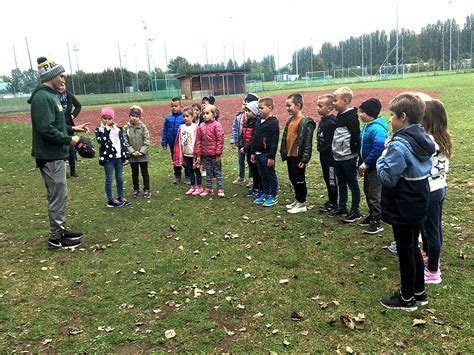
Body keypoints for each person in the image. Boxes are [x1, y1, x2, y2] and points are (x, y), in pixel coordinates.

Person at [377, 92, 435, 311]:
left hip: (403, 202)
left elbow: (387, 177)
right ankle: (419, 292)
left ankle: (407, 297)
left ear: (403, 116)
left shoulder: (398, 145)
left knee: (405, 250)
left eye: (391, 115)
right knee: (413, 247)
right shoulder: (424, 138)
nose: (389, 119)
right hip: (419, 198)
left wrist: (383, 155)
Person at [28, 56, 89, 250]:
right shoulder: (42, 98)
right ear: (51, 76)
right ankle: (55, 239)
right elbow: (46, 129)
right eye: (61, 76)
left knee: (60, 195)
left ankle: (60, 230)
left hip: (56, 154)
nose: (63, 79)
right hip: (50, 155)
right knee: (57, 195)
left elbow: (56, 125)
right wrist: (71, 140)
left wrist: (73, 130)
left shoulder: (51, 95)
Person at [419, 95, 452, 284]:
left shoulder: (428, 141)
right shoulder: (442, 137)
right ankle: (429, 256)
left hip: (430, 190)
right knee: (433, 227)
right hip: (439, 187)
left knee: (431, 230)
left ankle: (433, 271)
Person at [329, 87, 361, 223]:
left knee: (352, 183)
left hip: (348, 157)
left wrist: (354, 153)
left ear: (346, 100)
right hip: (338, 157)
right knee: (341, 182)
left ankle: (355, 210)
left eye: (335, 101)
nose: (333, 103)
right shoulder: (339, 115)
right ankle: (342, 206)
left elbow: (355, 137)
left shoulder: (352, 117)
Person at [280, 93, 316, 214]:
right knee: (292, 178)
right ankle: (297, 199)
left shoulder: (305, 122)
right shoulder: (291, 120)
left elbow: (307, 143)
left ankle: (302, 203)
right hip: (290, 155)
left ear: (298, 105)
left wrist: (304, 159)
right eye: (286, 106)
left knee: (299, 179)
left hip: (298, 157)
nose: (287, 108)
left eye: (289, 105)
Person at [357, 98, 388, 234]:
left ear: (369, 113)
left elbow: (378, 148)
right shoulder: (367, 126)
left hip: (375, 167)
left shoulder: (376, 128)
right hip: (368, 167)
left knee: (374, 194)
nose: (359, 114)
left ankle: (377, 220)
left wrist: (366, 163)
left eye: (362, 112)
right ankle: (372, 214)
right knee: (367, 191)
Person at [95, 107, 131, 207]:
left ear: (113, 119)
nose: (107, 120)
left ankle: (120, 196)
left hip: (118, 157)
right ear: (101, 118)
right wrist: (106, 130)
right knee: (109, 178)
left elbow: (122, 143)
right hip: (108, 158)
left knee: (119, 177)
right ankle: (110, 199)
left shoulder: (118, 128)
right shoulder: (99, 129)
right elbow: (101, 141)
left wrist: (125, 156)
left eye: (109, 118)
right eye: (104, 118)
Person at [250, 98, 280, 207]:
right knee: (262, 175)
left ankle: (273, 195)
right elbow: (254, 137)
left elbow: (274, 141)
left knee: (270, 174)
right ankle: (266, 193)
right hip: (257, 154)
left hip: (267, 154)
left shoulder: (273, 122)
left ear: (270, 108)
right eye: (259, 108)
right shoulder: (258, 121)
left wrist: (271, 157)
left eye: (262, 108)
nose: (259, 110)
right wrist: (253, 152)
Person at [194, 104, 225, 197]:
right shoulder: (201, 126)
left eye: (207, 113)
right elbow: (198, 140)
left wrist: (218, 153)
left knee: (217, 171)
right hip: (205, 154)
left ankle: (220, 188)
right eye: (203, 113)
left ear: (213, 114)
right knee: (208, 171)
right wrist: (199, 154)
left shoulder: (217, 125)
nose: (205, 115)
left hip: (215, 154)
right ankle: (209, 188)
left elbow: (220, 139)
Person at [316, 94, 338, 213]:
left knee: (331, 179)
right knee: (326, 178)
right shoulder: (323, 120)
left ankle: (334, 203)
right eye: (317, 105)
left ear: (329, 108)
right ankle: (331, 200)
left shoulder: (331, 122)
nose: (317, 108)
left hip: (330, 157)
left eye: (320, 106)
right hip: (323, 156)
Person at [173, 106, 202, 196]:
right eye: (184, 116)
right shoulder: (181, 127)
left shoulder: (196, 127)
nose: (185, 118)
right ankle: (192, 186)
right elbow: (179, 140)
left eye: (187, 116)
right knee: (189, 171)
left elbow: (199, 141)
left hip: (194, 154)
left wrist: (199, 154)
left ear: (192, 117)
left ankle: (199, 187)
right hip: (186, 154)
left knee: (197, 170)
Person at [123, 105, 151, 198]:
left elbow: (147, 140)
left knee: (144, 172)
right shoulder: (126, 128)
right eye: (132, 116)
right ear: (129, 116)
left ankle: (146, 189)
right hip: (133, 156)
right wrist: (132, 151)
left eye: (136, 116)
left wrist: (141, 151)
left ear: (139, 117)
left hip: (143, 156)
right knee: (134, 173)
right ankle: (136, 189)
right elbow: (125, 141)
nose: (134, 118)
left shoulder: (143, 127)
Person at [231, 93, 259, 185]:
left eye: (246, 102)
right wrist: (233, 141)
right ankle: (241, 176)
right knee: (241, 160)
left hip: (250, 144)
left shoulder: (255, 119)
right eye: (244, 103)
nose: (244, 104)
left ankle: (251, 178)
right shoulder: (239, 116)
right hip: (241, 142)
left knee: (251, 160)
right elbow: (235, 129)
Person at [57, 85, 82, 178]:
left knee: (71, 149)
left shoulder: (68, 95)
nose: (62, 86)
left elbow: (78, 105)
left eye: (63, 85)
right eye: (60, 85)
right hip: (59, 126)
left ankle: (73, 171)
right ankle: (63, 172)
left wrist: (73, 115)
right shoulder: (53, 96)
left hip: (69, 125)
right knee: (61, 148)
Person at [241, 101, 262, 197]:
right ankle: (255, 188)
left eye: (249, 111)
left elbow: (254, 138)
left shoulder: (257, 122)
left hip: (253, 150)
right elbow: (243, 135)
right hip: (248, 150)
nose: (246, 112)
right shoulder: (246, 122)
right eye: (246, 110)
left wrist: (246, 148)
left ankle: (258, 188)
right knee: (252, 169)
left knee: (256, 170)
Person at [162, 97, 184, 184]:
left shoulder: (184, 117)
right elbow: (165, 130)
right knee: (175, 161)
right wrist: (164, 141)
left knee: (185, 160)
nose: (174, 107)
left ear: (181, 106)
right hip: (172, 144)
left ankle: (188, 176)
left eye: (176, 106)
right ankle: (177, 176)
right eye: (172, 106)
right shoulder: (168, 118)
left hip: (182, 144)